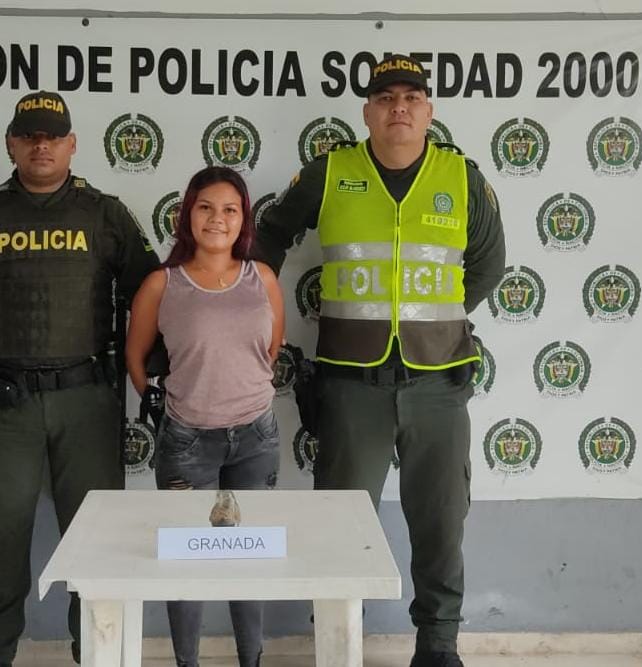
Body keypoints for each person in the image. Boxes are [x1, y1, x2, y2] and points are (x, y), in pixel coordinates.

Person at [254, 55, 506, 667]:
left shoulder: (461, 176)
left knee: (441, 519)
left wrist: (440, 314)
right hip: (350, 381)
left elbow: (489, 264)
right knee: (342, 522)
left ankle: (439, 645)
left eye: (412, 98)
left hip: (438, 382)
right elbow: (266, 239)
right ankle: (339, 644)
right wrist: (261, 314)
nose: (399, 107)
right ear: (366, 110)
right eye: (386, 97)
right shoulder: (330, 170)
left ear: (429, 111)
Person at [0, 90, 160, 667]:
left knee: (95, 541)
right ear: (11, 143)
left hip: (86, 399)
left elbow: (151, 289)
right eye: (29, 135)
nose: (41, 145)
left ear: (71, 145)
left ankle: (98, 654)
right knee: (0, 535)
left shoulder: (105, 212)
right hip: (6, 402)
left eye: (53, 136)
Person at [125, 166, 285, 667]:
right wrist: (166, 402)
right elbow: (135, 357)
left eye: (230, 209)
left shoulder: (262, 277)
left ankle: (250, 659)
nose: (218, 219)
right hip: (187, 441)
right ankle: (186, 662)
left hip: (257, 436)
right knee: (186, 564)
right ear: (188, 215)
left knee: (248, 559)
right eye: (206, 207)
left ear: (244, 221)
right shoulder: (161, 283)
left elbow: (271, 349)